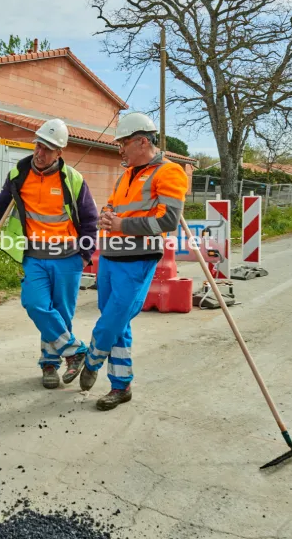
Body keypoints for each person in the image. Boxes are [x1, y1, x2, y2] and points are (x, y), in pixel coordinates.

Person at [79, 112, 188, 410]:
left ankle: (92, 359)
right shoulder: (127, 173)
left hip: (138, 258)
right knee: (118, 321)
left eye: (123, 143)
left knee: (113, 317)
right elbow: (114, 205)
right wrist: (106, 215)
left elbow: (167, 220)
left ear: (142, 141)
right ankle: (121, 386)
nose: (120, 149)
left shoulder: (169, 172)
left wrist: (121, 226)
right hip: (111, 255)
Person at [0, 118, 98, 389]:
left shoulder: (73, 180)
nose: (40, 153)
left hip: (68, 258)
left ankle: (50, 365)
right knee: (35, 305)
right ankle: (76, 350)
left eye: (47, 148)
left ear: (60, 152)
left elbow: (90, 220)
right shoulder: (19, 174)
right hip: (34, 255)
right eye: (38, 146)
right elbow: (0, 203)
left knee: (61, 314)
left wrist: (85, 254)